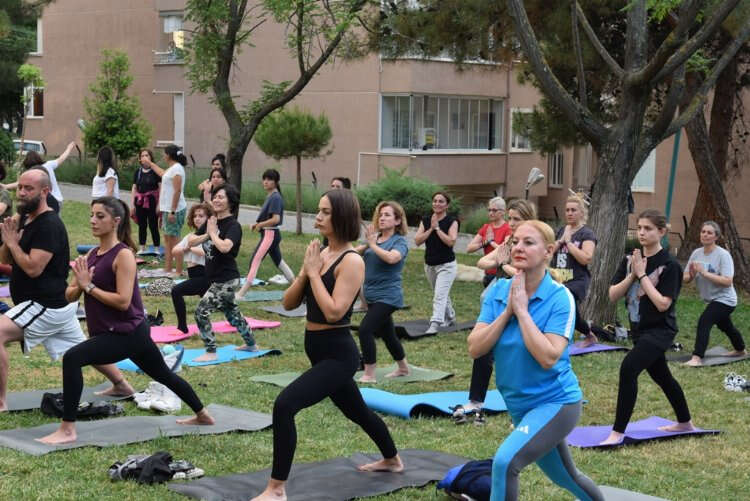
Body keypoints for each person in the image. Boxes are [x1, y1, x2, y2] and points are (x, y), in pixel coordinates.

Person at [251, 189, 402, 501]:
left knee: (285, 405)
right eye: (318, 211)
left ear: (342, 217)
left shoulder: (352, 260)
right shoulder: (320, 254)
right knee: (358, 412)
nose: (317, 217)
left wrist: (313, 273)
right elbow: (289, 303)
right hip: (317, 349)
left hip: (339, 354)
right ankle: (392, 459)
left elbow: (334, 312)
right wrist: (307, 272)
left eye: (325, 212)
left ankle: (276, 489)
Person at [35, 197, 214, 444]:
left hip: (126, 332)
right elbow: (69, 295)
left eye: (100, 216)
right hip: (120, 333)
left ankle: (67, 429)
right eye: (92, 215)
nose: (93, 220)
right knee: (164, 375)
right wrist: (81, 285)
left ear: (116, 221)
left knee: (72, 358)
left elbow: (122, 301)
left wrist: (89, 287)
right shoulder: (91, 255)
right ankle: (203, 415)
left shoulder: (123, 256)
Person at [467, 220, 603, 501]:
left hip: (556, 403)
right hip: (520, 405)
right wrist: (507, 312)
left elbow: (548, 357)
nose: (518, 247)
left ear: (548, 251)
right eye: (515, 241)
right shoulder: (498, 292)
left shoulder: (560, 297)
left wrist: (522, 312)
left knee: (505, 463)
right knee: (565, 476)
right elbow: (475, 348)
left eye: (528, 243)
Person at [0, 169, 131, 412]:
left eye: (28, 189)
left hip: (45, 305)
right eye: (20, 187)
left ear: (44, 192)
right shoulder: (25, 218)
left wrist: (11, 243)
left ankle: (0, 402)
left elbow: (33, 268)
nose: (21, 193)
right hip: (58, 305)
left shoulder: (49, 225)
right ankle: (122, 385)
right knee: (80, 348)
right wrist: (10, 241)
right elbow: (6, 259)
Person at [601, 209, 694, 445]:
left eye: (648, 228)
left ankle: (617, 433)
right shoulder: (630, 260)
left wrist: (642, 276)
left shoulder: (670, 265)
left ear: (662, 232)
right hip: (639, 330)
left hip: (661, 331)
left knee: (628, 369)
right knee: (663, 376)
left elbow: (663, 304)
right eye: (639, 228)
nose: (641, 232)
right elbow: (612, 295)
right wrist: (633, 275)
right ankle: (685, 422)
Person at [454, 198, 536, 423]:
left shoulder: (533, 243)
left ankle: (528, 404)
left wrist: (503, 264)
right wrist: (500, 262)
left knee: (520, 353)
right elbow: (483, 262)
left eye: (516, 219)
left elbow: (524, 273)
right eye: (510, 218)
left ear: (528, 219)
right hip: (502, 301)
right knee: (483, 347)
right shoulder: (509, 242)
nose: (512, 223)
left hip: (525, 302)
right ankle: (476, 401)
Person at [189, 184, 258, 362]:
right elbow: (191, 241)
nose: (216, 200)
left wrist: (213, 234)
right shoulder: (212, 222)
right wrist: (208, 234)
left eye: (221, 197)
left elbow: (225, 247)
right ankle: (251, 344)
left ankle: (211, 351)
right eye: (215, 197)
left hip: (226, 279)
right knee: (232, 314)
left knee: (201, 311)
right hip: (216, 278)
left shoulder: (233, 225)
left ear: (230, 202)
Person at [354, 201, 410, 383]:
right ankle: (403, 368)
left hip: (388, 296)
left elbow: (392, 258)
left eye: (387, 215)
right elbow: (355, 252)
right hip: (372, 295)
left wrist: (372, 244)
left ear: (398, 220)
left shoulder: (399, 241)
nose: (382, 218)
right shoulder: (375, 238)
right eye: (381, 214)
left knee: (365, 330)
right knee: (388, 334)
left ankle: (369, 374)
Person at [683, 221, 745, 366]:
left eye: (709, 232)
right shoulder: (696, 253)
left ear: (716, 237)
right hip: (712, 299)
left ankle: (697, 357)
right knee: (726, 326)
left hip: (726, 299)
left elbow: (727, 281)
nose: (705, 235)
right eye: (703, 231)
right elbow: (685, 278)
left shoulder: (723, 255)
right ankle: (740, 349)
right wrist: (691, 275)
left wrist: (704, 273)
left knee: (705, 321)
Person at [235, 169, 295, 300]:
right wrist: (258, 224)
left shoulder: (275, 197)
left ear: (276, 182)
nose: (266, 182)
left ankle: (241, 294)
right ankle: (298, 288)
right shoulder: (271, 196)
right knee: (279, 262)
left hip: (270, 234)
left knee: (255, 261)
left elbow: (276, 219)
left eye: (269, 179)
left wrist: (260, 225)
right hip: (269, 234)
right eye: (264, 179)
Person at [551, 195, 598, 347]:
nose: (570, 213)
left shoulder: (587, 234)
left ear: (581, 213)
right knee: (570, 313)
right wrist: (561, 241)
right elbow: (548, 252)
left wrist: (569, 243)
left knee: (566, 307)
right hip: (559, 279)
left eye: (573, 210)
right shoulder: (561, 231)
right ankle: (588, 335)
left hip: (577, 281)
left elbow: (586, 258)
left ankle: (570, 337)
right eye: (567, 210)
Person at [414, 191, 459, 335]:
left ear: (447, 205)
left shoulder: (452, 221)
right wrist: (431, 228)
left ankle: (435, 323)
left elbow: (451, 241)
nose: (437, 204)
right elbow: (417, 240)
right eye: (435, 201)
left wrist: (438, 228)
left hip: (447, 265)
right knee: (440, 293)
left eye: (441, 201)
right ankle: (450, 316)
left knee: (439, 295)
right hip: (430, 264)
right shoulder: (426, 220)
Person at [143, 144, 187, 275]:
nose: (163, 155)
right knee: (168, 240)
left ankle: (178, 270)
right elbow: (162, 174)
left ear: (168, 155)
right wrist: (150, 163)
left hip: (175, 210)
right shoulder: (172, 168)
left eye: (164, 153)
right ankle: (167, 268)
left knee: (175, 240)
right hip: (168, 209)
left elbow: (177, 191)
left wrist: (172, 211)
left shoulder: (177, 169)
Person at [171, 203, 212, 333]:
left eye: (201, 216)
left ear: (209, 218)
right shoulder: (190, 236)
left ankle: (182, 327)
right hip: (194, 275)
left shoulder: (210, 236)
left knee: (176, 291)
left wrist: (190, 248)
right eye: (195, 216)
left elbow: (206, 253)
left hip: (205, 276)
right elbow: (175, 250)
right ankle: (235, 319)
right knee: (222, 304)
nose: (197, 218)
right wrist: (184, 248)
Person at [7, 142, 77, 213]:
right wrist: (69, 148)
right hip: (58, 199)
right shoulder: (49, 164)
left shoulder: (33, 172)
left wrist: (6, 186)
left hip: (46, 201)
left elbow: (19, 183)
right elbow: (62, 158)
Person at [466, 196, 512, 288]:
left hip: (502, 274)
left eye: (494, 210)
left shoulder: (508, 228)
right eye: (489, 210)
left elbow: (506, 251)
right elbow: (469, 248)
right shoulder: (486, 227)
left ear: (503, 212)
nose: (491, 213)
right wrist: (485, 242)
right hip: (488, 273)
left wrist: (491, 242)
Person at [131, 149, 162, 253]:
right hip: (139, 201)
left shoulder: (155, 171)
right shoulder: (138, 172)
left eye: (147, 155)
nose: (144, 157)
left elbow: (161, 188)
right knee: (142, 225)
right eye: (142, 155)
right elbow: (134, 188)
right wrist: (132, 204)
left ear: (150, 157)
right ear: (140, 159)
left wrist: (159, 204)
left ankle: (156, 248)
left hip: (152, 201)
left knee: (153, 225)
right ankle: (142, 248)